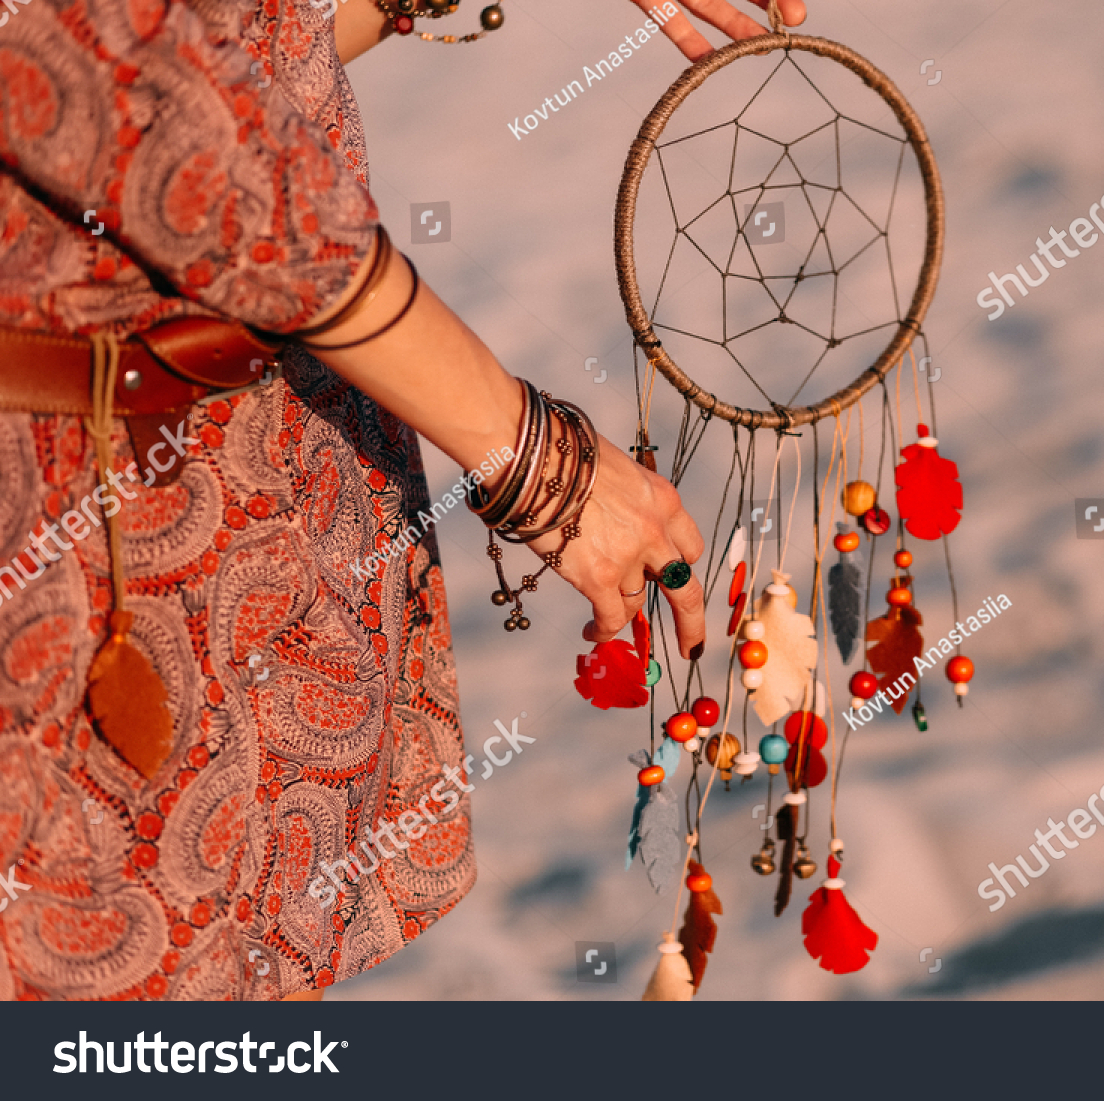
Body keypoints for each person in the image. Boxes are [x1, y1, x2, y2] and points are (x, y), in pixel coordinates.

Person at [0, 0, 806, 1001]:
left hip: (256, 518)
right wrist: (526, 454)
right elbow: (126, 94)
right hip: (80, 554)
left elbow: (247, 48)